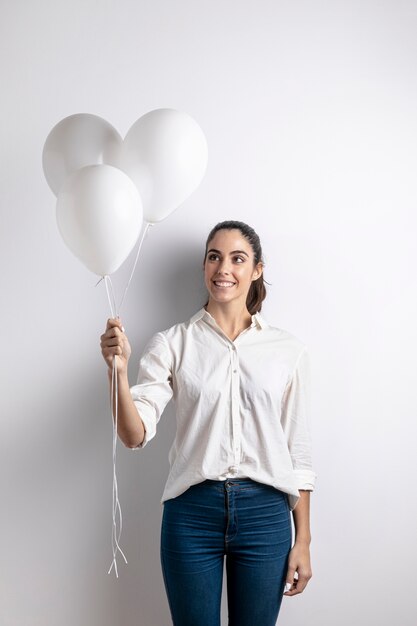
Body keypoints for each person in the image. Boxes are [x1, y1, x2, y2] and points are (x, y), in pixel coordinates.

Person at [100, 220, 317, 626]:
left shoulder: (288, 350)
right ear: (204, 266)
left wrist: (302, 539)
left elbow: (298, 453)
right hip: (191, 513)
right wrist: (117, 371)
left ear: (257, 270)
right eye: (214, 257)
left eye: (238, 259)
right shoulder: (172, 343)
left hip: (266, 513)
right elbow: (133, 435)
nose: (223, 269)